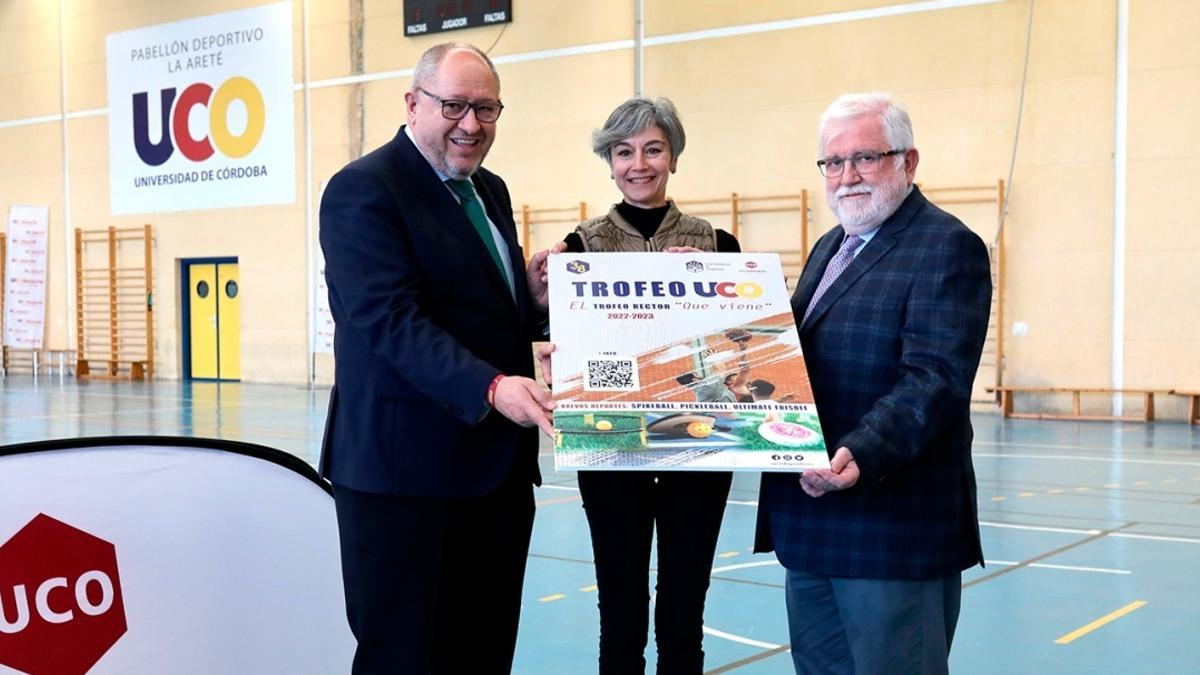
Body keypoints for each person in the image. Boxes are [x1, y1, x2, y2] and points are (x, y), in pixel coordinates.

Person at [318, 42, 556, 674]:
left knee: (483, 651)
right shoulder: (363, 190)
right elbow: (390, 320)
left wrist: (530, 302)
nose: (471, 125)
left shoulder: (490, 191)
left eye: (487, 109)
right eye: (454, 106)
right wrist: (493, 388)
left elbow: (481, 312)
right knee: (405, 657)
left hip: (496, 475)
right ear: (413, 103)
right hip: (403, 480)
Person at [754, 93, 992, 675]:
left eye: (866, 157)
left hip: (890, 526)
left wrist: (862, 450)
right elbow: (784, 357)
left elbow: (935, 378)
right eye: (833, 163)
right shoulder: (829, 247)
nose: (847, 176)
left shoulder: (946, 245)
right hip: (810, 517)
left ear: (908, 163)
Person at [543, 97, 739, 674]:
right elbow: (548, 342)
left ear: (673, 155)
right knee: (620, 607)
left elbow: (742, 351)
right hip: (610, 441)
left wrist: (704, 290)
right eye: (623, 151)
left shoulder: (717, 245)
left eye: (653, 148)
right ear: (609, 162)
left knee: (685, 608)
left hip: (701, 439)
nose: (638, 164)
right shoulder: (578, 249)